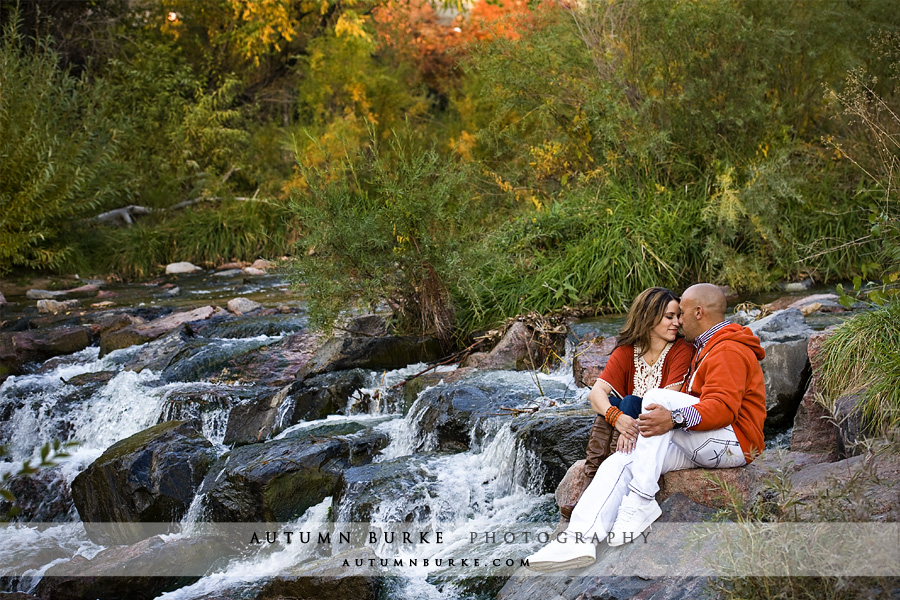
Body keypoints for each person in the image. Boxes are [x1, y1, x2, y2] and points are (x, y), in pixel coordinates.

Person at [527, 283, 766, 572]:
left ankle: (641, 500)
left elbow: (723, 409)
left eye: (683, 313)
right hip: (706, 440)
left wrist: (674, 419)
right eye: (672, 316)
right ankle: (579, 538)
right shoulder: (705, 347)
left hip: (734, 443)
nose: (678, 322)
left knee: (653, 400)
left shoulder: (727, 349)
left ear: (699, 312)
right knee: (622, 459)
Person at [560, 287, 693, 519]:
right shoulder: (626, 351)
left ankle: (605, 494)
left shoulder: (681, 350)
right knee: (611, 405)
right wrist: (617, 418)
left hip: (660, 434)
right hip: (629, 427)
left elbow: (665, 402)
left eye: (677, 316)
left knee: (630, 401)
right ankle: (591, 485)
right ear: (649, 317)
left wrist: (627, 417)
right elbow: (595, 395)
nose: (677, 323)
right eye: (669, 317)